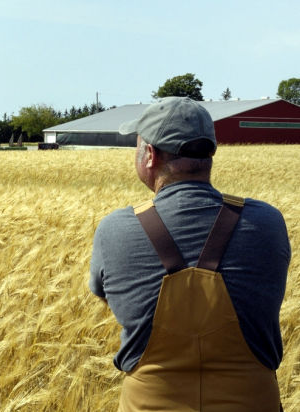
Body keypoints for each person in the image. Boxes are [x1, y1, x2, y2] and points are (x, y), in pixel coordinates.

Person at [89, 97, 290, 412]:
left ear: (150, 155)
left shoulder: (115, 230)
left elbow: (105, 297)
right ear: (210, 153)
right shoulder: (268, 222)